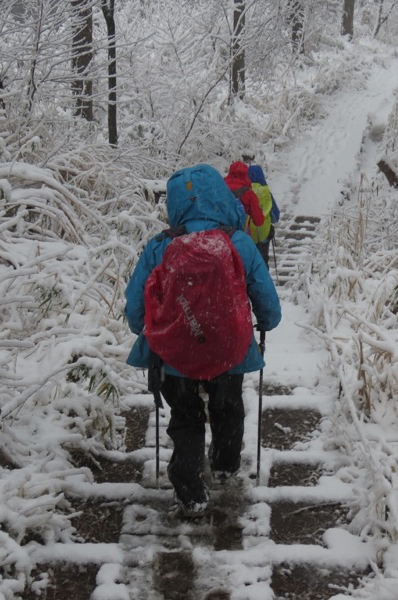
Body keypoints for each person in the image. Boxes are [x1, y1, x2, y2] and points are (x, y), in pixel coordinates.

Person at [124, 163, 281, 517]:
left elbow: (135, 307)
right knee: (227, 407)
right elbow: (266, 298)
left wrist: (151, 333)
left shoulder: (160, 246)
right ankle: (225, 465)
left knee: (185, 415)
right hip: (231, 351)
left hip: (175, 355)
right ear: (221, 198)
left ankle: (190, 489)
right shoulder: (238, 242)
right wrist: (267, 322)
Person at [224, 161, 265, 235]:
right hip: (241, 234)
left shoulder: (220, 188)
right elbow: (259, 221)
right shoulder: (249, 193)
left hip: (222, 235)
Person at [247, 164, 277, 266]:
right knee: (263, 261)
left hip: (250, 235)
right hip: (264, 234)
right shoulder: (266, 192)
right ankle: (264, 278)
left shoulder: (245, 192)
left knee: (251, 262)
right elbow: (275, 217)